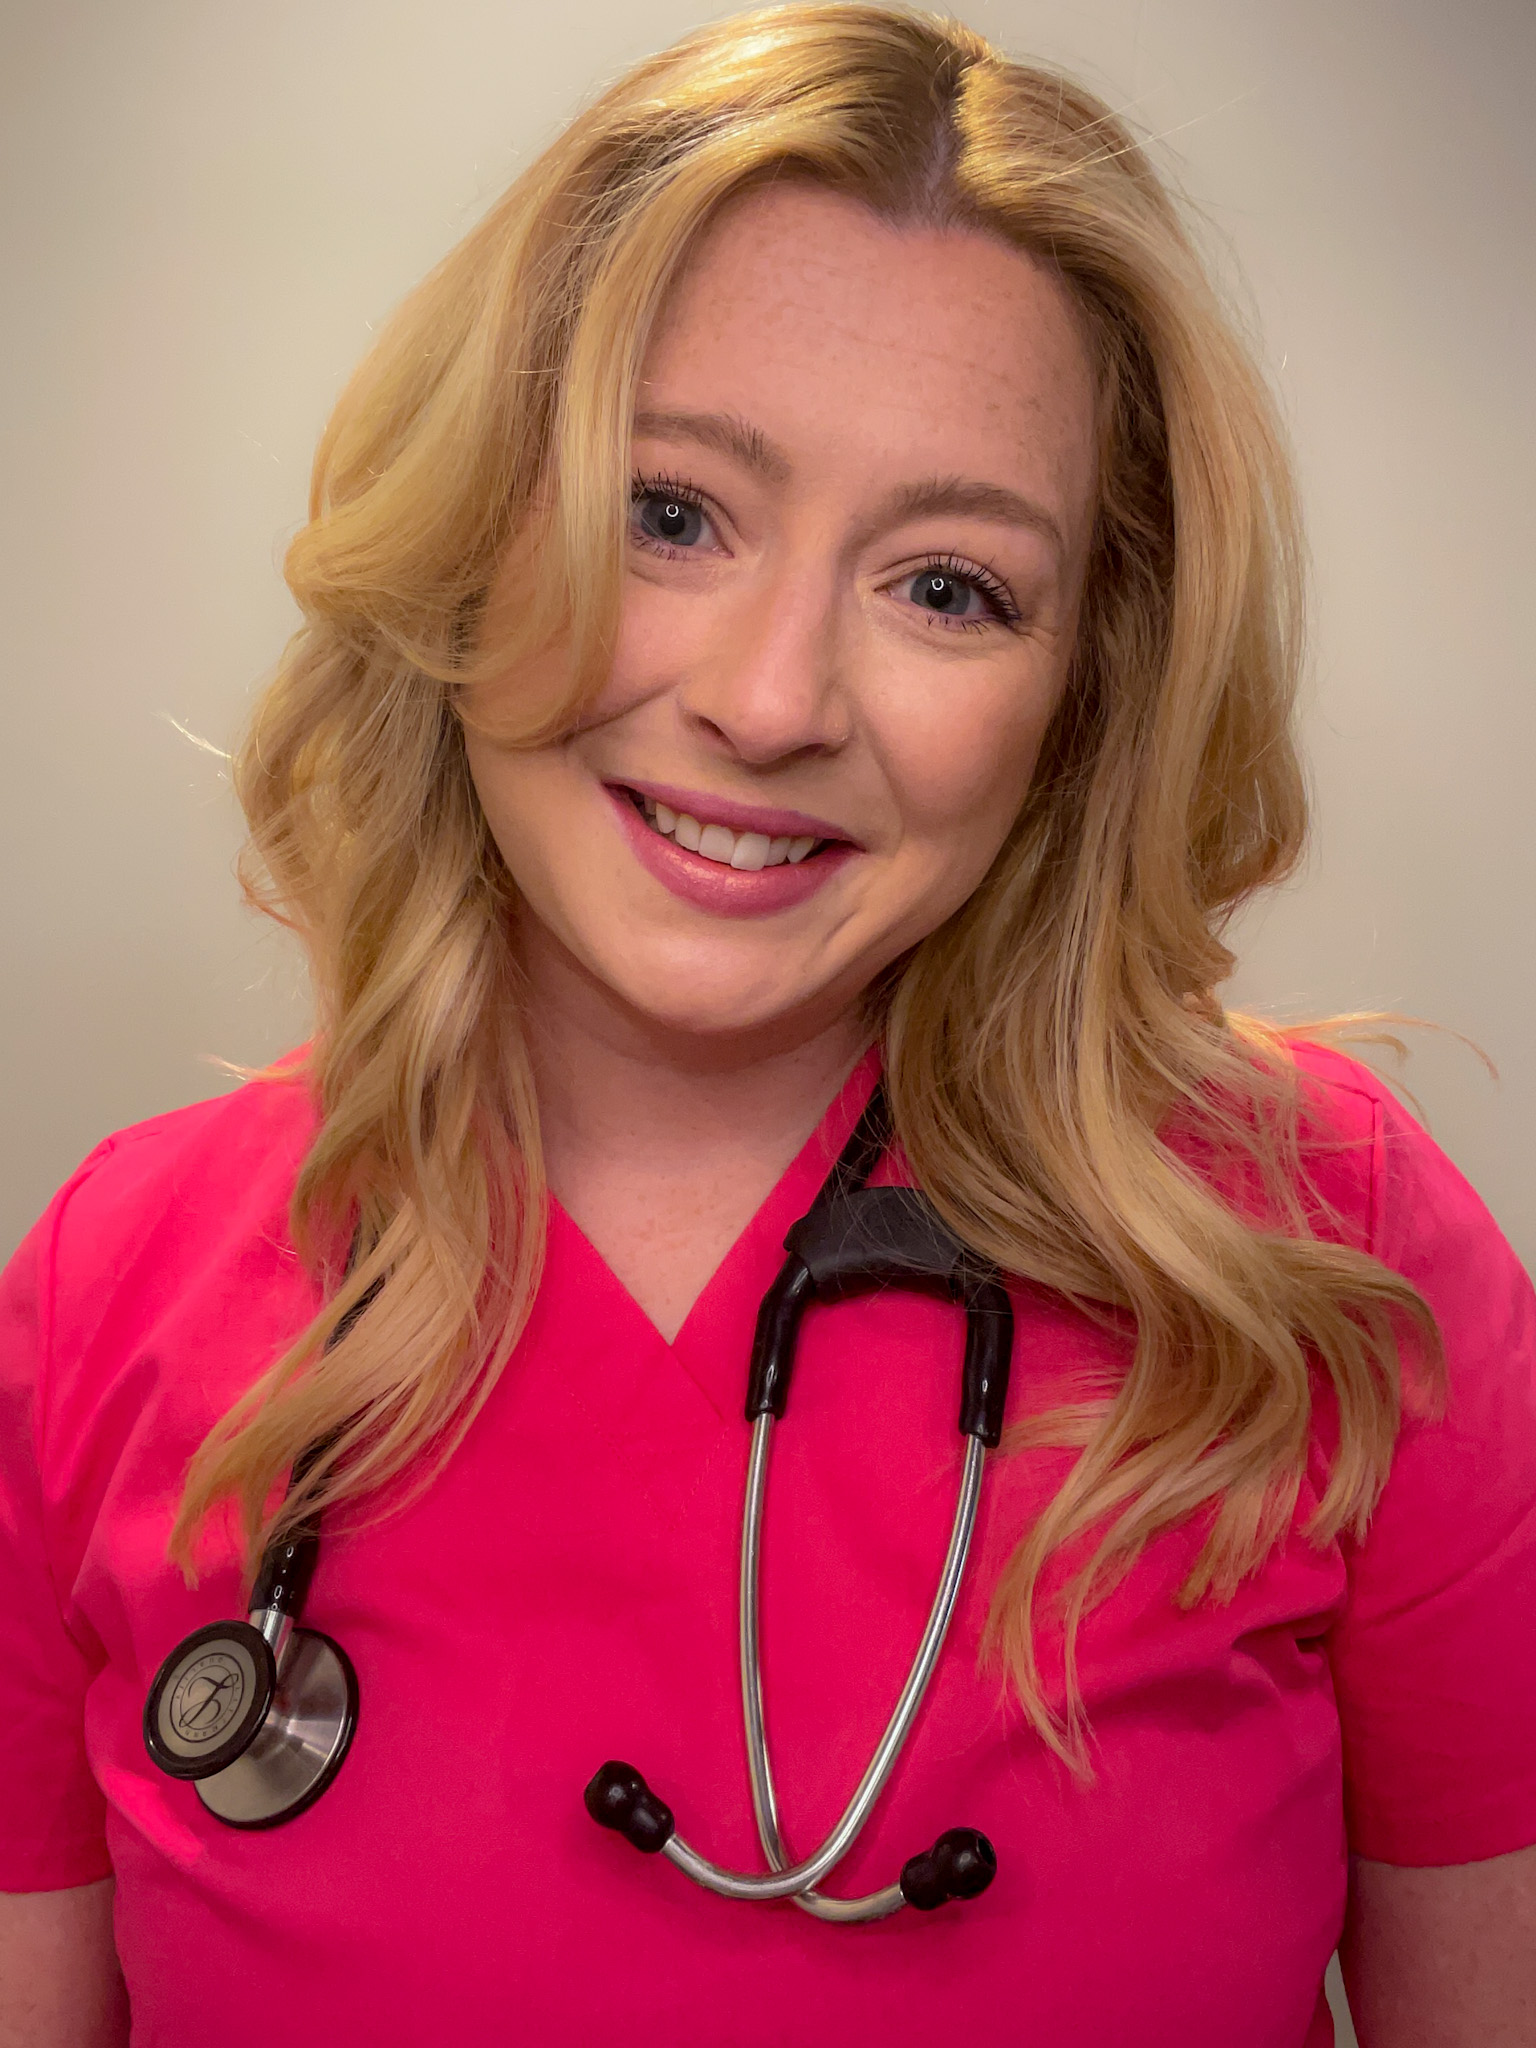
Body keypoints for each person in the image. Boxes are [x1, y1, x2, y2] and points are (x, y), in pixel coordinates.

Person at [2, 5, 1533, 2042]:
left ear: (1085, 687)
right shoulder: (112, 1288)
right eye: (671, 512)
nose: (773, 693)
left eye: (950, 588)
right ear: (475, 530)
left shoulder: (1327, 1258)